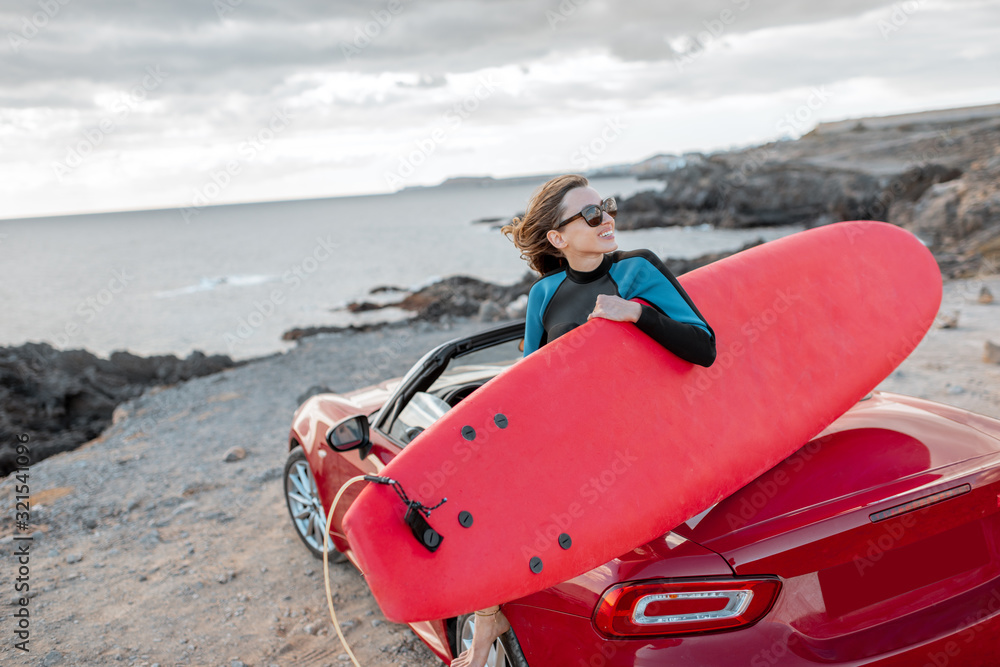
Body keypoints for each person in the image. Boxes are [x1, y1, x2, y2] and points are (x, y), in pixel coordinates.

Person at [451, 174, 716, 667]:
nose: (608, 218)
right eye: (592, 214)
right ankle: (489, 618)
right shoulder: (544, 295)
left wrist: (636, 313)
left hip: (642, 446)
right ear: (558, 238)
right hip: (573, 448)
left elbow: (704, 347)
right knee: (492, 500)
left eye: (608, 206)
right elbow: (530, 383)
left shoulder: (639, 270)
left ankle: (499, 620)